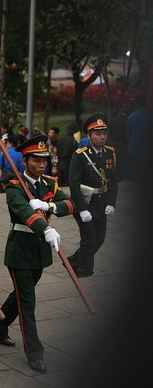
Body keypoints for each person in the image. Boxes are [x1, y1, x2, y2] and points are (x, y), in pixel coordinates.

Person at [0, 135, 74, 374]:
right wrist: (45, 227)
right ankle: (34, 353)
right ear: (25, 161)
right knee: (27, 302)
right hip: (20, 250)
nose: (42, 164)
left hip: (40, 252)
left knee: (21, 294)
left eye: (44, 159)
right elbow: (24, 212)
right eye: (36, 160)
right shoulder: (14, 186)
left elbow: (69, 205)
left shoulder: (50, 183)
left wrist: (51, 207)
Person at [67, 115, 118, 278]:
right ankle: (84, 269)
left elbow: (113, 181)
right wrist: (81, 209)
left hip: (101, 202)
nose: (102, 137)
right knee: (90, 240)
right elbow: (73, 184)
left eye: (104, 133)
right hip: (84, 201)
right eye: (97, 134)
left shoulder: (110, 153)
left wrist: (111, 203)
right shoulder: (80, 155)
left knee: (100, 239)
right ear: (89, 136)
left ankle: (73, 261)